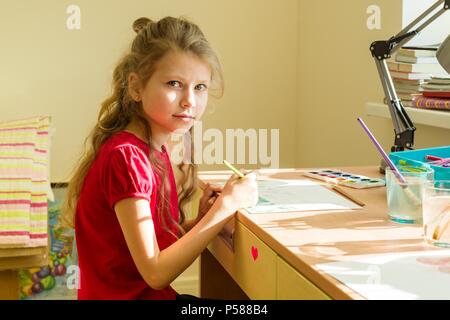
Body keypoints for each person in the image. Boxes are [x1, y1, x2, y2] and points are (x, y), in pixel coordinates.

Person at [62, 16, 258, 300]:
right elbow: (155, 273)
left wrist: (201, 220)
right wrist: (226, 206)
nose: (190, 100)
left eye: (200, 87)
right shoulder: (126, 159)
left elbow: (151, 249)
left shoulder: (152, 151)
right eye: (175, 83)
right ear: (136, 87)